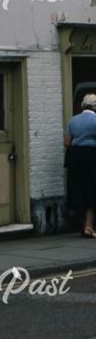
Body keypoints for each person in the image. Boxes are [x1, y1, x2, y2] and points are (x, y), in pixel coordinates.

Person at [64, 93, 96, 237]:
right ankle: (89, 226)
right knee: (92, 190)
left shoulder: (73, 120)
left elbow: (67, 142)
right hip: (92, 156)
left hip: (75, 156)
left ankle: (82, 224)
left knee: (79, 189)